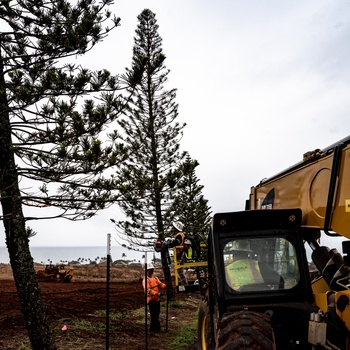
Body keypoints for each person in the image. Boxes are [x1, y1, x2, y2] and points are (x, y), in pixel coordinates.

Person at [142, 263, 166, 332]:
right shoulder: (145, 280)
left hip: (157, 299)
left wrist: (165, 285)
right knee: (154, 316)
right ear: (146, 270)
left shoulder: (155, 278)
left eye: (152, 269)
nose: (151, 271)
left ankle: (152, 329)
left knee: (156, 314)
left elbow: (160, 285)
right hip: (151, 300)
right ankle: (157, 329)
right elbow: (147, 290)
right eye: (150, 270)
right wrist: (156, 293)